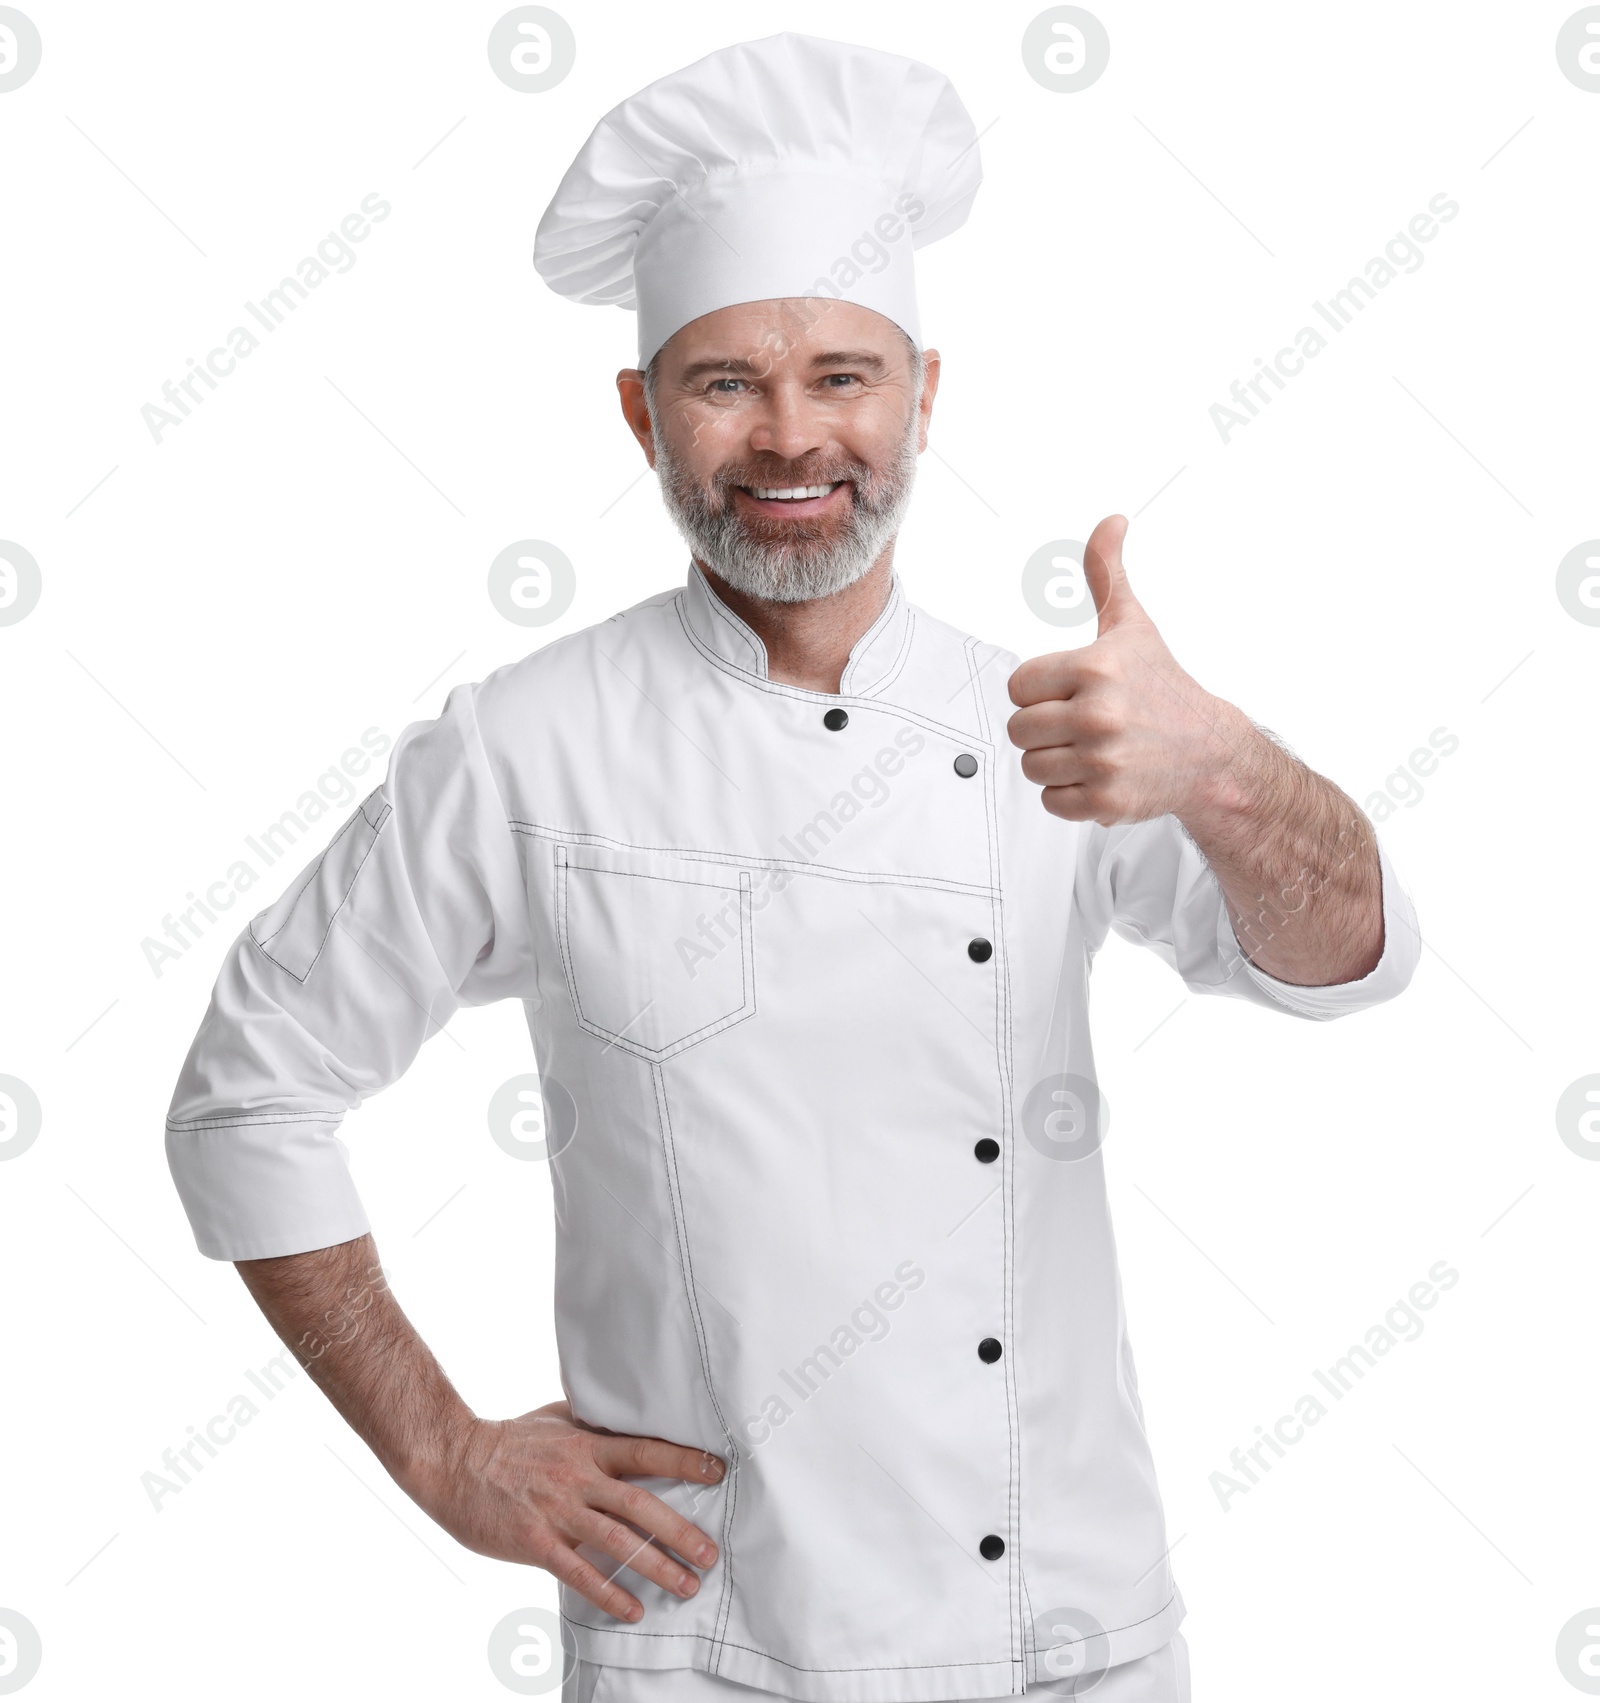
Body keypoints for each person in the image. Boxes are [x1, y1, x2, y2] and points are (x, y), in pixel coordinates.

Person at [164, 32, 1420, 1703]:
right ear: (640, 415)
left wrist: (1227, 769)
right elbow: (247, 1093)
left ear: (924, 398)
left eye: (843, 373)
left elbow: (1350, 960)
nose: (788, 437)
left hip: (1073, 1636)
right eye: (723, 381)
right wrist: (445, 1455)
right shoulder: (526, 743)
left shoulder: (1056, 722)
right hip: (713, 1643)